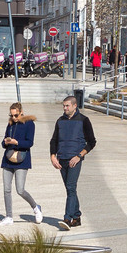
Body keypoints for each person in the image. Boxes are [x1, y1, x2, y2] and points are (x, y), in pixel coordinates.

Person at [48, 95, 97, 229]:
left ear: (75, 106)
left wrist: (79, 156)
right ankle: (76, 216)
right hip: (62, 159)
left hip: (74, 160)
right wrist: (53, 156)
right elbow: (54, 140)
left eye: (67, 106)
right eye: (63, 106)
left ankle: (67, 218)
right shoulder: (60, 121)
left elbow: (92, 142)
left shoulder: (84, 120)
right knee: (70, 190)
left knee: (70, 187)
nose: (65, 108)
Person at [0, 102, 43, 225]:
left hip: (22, 159)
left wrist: (17, 142)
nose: (14, 118)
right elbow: (3, 142)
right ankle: (9, 216)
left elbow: (29, 143)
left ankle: (36, 207)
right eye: (11, 115)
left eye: (16, 115)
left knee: (20, 190)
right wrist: (5, 142)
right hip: (8, 158)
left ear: (21, 112)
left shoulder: (29, 124)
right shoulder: (10, 124)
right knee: (6, 189)